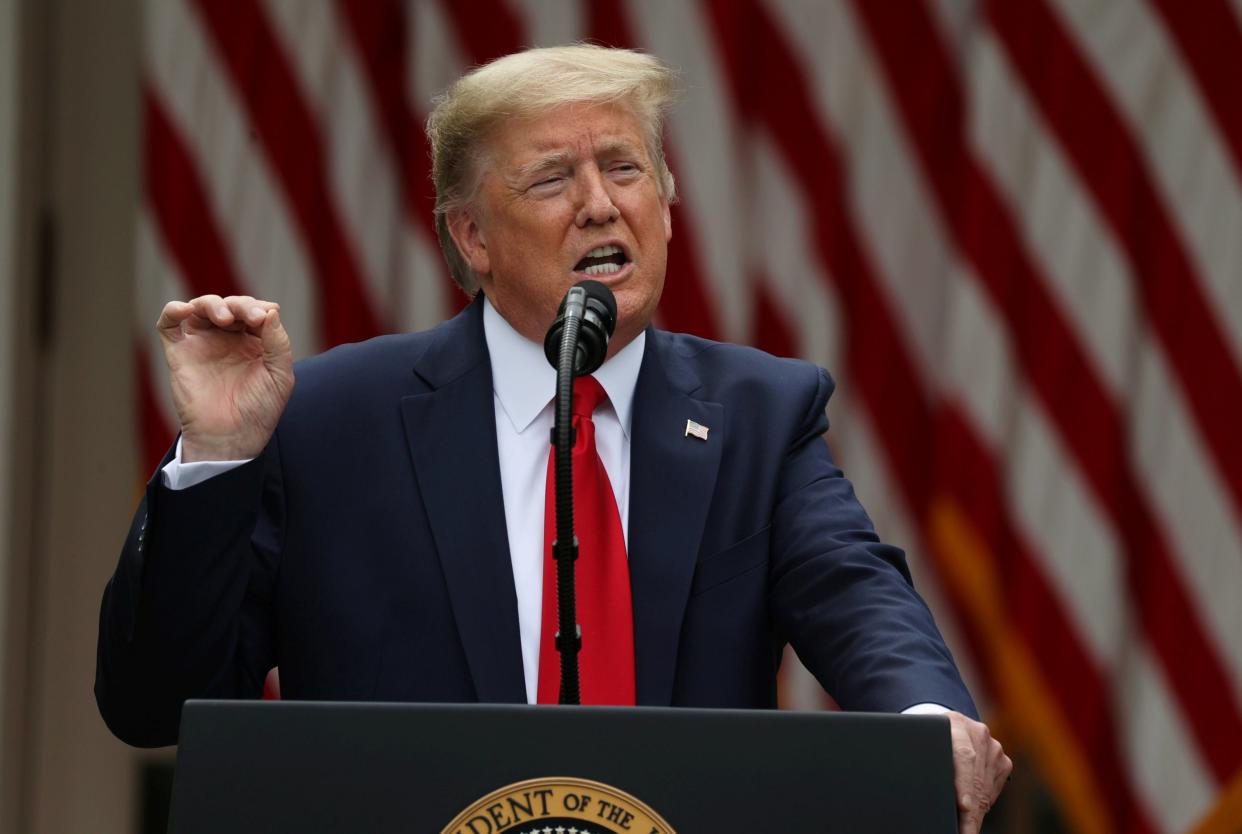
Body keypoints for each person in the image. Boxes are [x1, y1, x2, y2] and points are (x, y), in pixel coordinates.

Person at [97, 45, 1010, 831]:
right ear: (472, 237)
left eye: (625, 168)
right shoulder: (329, 419)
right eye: (550, 179)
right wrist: (217, 457)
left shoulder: (760, 414)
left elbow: (856, 595)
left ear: (665, 200)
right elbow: (156, 703)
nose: (601, 206)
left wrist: (926, 720)